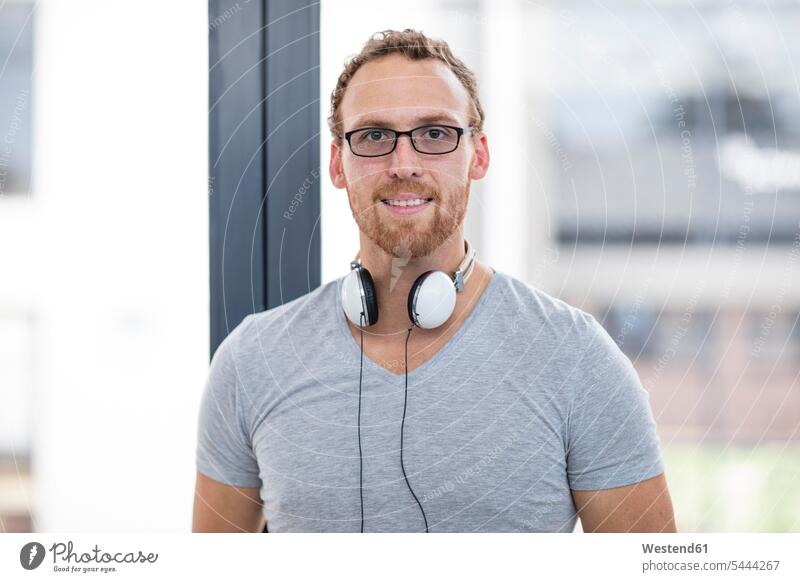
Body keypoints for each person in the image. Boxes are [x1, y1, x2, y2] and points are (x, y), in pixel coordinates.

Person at [192, 29, 676, 533]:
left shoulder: (576, 357)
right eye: (374, 136)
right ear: (338, 163)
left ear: (479, 156)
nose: (404, 165)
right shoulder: (251, 361)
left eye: (436, 134)